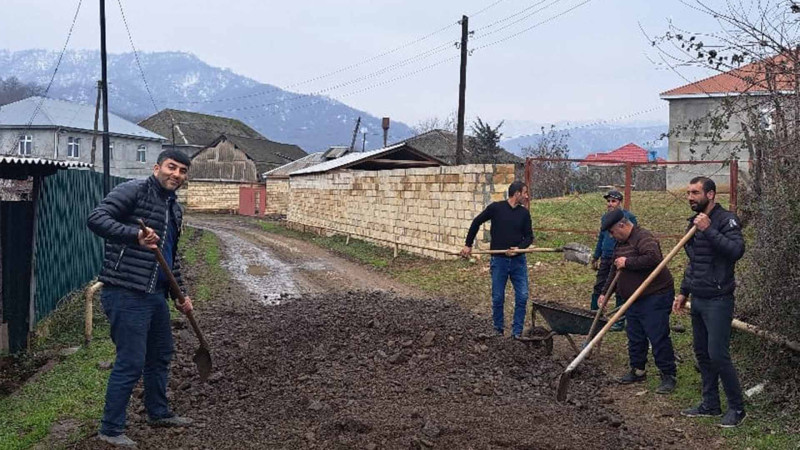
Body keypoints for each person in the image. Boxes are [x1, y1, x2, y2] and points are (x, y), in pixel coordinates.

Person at [88, 149, 195, 447]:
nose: (176, 174)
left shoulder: (174, 208)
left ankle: (158, 413)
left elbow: (170, 257)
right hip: (125, 291)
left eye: (182, 171)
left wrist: (180, 294)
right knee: (131, 361)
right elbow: (96, 218)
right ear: (157, 167)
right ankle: (110, 429)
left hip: (155, 296)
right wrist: (134, 236)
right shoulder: (134, 190)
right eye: (171, 167)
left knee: (160, 355)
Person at [673, 177, 747, 428]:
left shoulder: (726, 220)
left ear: (711, 194)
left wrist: (709, 229)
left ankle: (737, 408)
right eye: (688, 193)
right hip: (699, 297)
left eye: (695, 193)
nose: (690, 197)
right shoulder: (693, 223)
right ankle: (710, 404)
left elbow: (736, 251)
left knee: (718, 355)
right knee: (703, 354)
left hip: (718, 299)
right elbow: (695, 262)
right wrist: (684, 292)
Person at [599, 209, 677, 394]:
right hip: (632, 298)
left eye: (612, 231)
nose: (611, 236)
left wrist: (628, 262)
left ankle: (668, 375)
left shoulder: (643, 237)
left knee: (657, 335)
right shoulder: (620, 244)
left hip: (655, 295)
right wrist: (605, 293)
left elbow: (653, 258)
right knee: (635, 335)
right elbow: (614, 270)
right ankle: (638, 370)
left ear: (622, 225)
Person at [460, 181, 533, 339]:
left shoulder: (524, 214)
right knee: (498, 297)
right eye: (525, 193)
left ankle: (516, 333)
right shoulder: (496, 208)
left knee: (522, 296)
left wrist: (519, 248)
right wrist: (468, 245)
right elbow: (476, 222)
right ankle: (498, 330)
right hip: (499, 261)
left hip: (518, 262)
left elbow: (529, 236)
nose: (527, 197)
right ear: (517, 194)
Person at [590, 190, 637, 332]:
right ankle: (593, 315)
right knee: (600, 285)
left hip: (621, 257)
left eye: (613, 201)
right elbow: (601, 238)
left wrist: (629, 256)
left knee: (620, 289)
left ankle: (619, 320)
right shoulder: (605, 218)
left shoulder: (628, 217)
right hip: (606, 256)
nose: (610, 204)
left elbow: (633, 237)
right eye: (608, 201)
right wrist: (596, 255)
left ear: (620, 202)